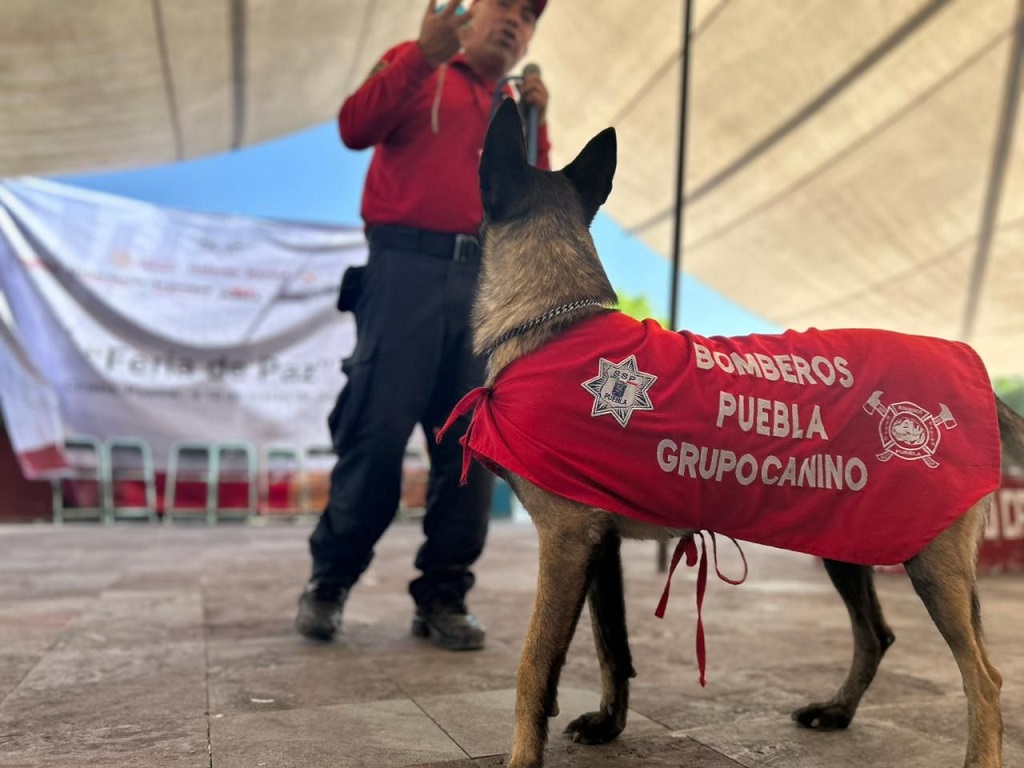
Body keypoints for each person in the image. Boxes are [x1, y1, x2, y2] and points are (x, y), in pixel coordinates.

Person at [296, 0, 551, 651]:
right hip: (403, 271)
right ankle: (330, 581)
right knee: (375, 435)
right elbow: (354, 127)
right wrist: (419, 57)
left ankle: (444, 594)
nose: (515, 21)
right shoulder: (422, 63)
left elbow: (532, 208)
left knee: (473, 448)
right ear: (470, 10)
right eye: (505, 5)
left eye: (529, 15)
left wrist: (537, 123)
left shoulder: (515, 106)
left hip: (483, 287)